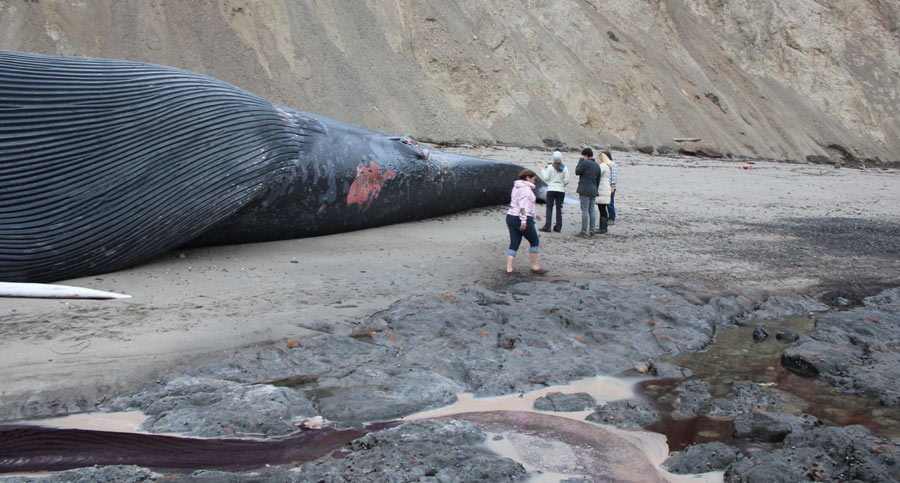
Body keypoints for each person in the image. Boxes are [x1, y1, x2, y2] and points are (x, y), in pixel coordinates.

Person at [505, 169, 548, 274]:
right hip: (521, 218)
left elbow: (521, 204)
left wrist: (535, 214)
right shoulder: (526, 190)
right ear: (528, 178)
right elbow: (523, 206)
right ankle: (535, 266)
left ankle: (509, 268)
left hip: (510, 216)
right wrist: (524, 221)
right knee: (534, 241)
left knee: (514, 242)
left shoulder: (516, 187)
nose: (534, 181)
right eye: (533, 179)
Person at [539, 151, 571, 233]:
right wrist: (562, 185)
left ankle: (547, 226)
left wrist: (542, 170)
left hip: (551, 189)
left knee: (549, 208)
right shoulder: (565, 168)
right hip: (560, 190)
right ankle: (558, 227)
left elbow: (546, 178)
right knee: (559, 208)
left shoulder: (550, 167)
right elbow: (567, 180)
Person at [574, 147, 601, 238]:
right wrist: (596, 189)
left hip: (585, 189)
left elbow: (577, 171)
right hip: (593, 189)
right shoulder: (597, 165)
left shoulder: (585, 162)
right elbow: (598, 179)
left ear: (585, 155)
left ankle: (584, 231)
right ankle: (592, 231)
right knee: (592, 210)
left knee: (585, 210)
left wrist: (580, 162)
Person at [594, 152, 612, 234]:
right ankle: (604, 227)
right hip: (606, 188)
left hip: (602, 189)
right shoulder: (608, 166)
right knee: (603, 208)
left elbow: (597, 174)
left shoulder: (603, 166)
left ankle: (602, 228)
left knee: (602, 208)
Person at [605, 150, 618, 225]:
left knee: (610, 203)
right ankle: (608, 217)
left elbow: (614, 176)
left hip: (610, 186)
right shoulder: (605, 164)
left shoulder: (612, 165)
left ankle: (612, 218)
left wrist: (612, 186)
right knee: (606, 203)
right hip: (605, 186)